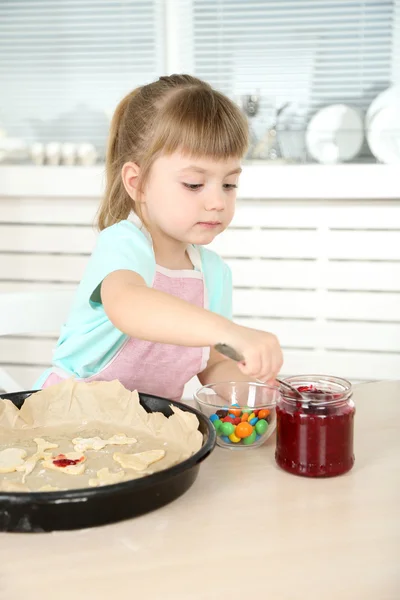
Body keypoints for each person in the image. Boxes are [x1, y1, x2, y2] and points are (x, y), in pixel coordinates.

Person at [35, 74, 283, 400]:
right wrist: (230, 331)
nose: (218, 202)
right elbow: (129, 305)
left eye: (229, 184)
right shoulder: (122, 244)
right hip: (70, 417)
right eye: (194, 184)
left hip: (150, 431)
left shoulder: (214, 275)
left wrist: (250, 389)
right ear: (137, 183)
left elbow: (214, 363)